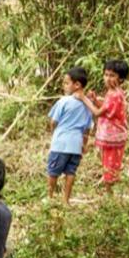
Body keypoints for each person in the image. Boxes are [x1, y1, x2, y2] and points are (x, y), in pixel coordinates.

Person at [79, 59, 129, 194]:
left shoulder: (114, 95)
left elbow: (97, 112)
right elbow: (105, 109)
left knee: (110, 166)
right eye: (106, 74)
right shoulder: (114, 92)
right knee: (110, 163)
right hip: (111, 136)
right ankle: (111, 188)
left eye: (112, 75)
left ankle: (110, 195)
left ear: (121, 79)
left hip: (112, 138)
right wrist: (96, 100)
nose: (108, 78)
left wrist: (83, 98)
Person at [47, 67, 94, 203]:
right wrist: (84, 145)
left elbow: (53, 121)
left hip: (60, 143)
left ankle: (50, 197)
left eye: (67, 83)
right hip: (76, 144)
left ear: (77, 85)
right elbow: (87, 130)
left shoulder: (64, 101)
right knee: (71, 171)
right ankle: (65, 200)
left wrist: (53, 133)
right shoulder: (87, 105)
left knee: (53, 171)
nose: (64, 86)